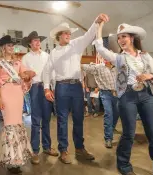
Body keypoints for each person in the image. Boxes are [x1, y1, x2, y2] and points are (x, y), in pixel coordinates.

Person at [94, 22, 153, 175]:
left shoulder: (145, 55)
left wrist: (148, 76)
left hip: (146, 96)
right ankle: (123, 165)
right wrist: (99, 26)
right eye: (119, 37)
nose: (121, 40)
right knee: (128, 133)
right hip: (126, 96)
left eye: (124, 36)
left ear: (132, 38)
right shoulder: (118, 57)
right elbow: (100, 48)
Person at [43, 14, 109, 164]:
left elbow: (88, 35)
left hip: (77, 87)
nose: (68, 35)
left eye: (69, 33)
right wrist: (47, 89)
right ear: (59, 36)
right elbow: (47, 71)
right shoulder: (53, 53)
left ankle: (79, 149)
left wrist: (96, 21)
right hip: (61, 87)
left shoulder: (76, 44)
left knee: (79, 118)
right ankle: (64, 150)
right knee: (62, 120)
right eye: (65, 33)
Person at [0, 35, 36, 174]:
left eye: (12, 45)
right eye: (9, 45)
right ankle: (10, 160)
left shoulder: (18, 62)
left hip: (17, 93)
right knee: (9, 125)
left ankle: (18, 159)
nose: (11, 47)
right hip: (5, 93)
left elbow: (26, 75)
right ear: (3, 47)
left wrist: (29, 74)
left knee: (18, 123)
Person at [21, 31, 58, 165]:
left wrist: (52, 87)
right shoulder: (25, 58)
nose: (37, 42)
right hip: (35, 88)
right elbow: (23, 75)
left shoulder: (47, 56)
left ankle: (47, 147)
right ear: (30, 43)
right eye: (34, 40)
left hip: (47, 87)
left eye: (38, 40)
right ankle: (35, 151)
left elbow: (52, 72)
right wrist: (28, 75)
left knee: (47, 119)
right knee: (36, 120)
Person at [82, 59, 119, 149]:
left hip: (117, 94)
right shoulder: (98, 67)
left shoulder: (117, 67)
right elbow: (85, 66)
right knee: (108, 113)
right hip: (105, 93)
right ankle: (108, 138)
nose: (107, 58)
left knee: (117, 113)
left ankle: (112, 127)